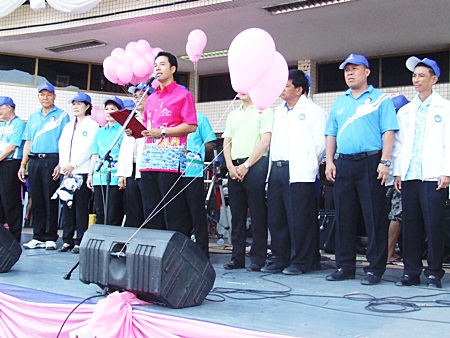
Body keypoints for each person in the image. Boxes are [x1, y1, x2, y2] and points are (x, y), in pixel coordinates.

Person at [324, 54, 398, 285]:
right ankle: (344, 266)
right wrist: (329, 161)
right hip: (344, 163)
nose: (349, 73)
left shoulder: (380, 99)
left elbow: (389, 132)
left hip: (371, 162)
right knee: (344, 216)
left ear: (367, 72)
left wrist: (385, 162)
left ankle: (375, 268)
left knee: (374, 216)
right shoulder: (340, 102)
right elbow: (331, 134)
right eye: (347, 70)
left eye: (355, 69)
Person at [261, 69, 327, 275]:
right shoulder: (278, 111)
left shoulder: (315, 112)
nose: (282, 90)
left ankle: (301, 260)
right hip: (277, 169)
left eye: (286, 86)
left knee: (299, 218)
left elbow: (320, 145)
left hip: (300, 170)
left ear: (299, 89)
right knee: (277, 217)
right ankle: (281, 258)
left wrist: (308, 164)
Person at [393, 57, 450, 288]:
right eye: (415, 76)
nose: (416, 80)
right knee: (411, 225)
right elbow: (398, 144)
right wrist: (398, 172)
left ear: (434, 79)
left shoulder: (445, 108)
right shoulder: (406, 111)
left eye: (422, 75)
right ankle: (411, 271)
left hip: (433, 176)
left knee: (434, 224)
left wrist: (446, 171)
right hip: (410, 175)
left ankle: (434, 272)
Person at [140, 52, 197, 235]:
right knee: (151, 208)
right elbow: (147, 125)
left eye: (162, 64)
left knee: (172, 208)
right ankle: (153, 248)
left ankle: (174, 251)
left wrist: (163, 132)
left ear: (172, 69)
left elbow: (191, 125)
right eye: (155, 65)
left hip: (170, 161)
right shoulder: (150, 98)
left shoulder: (183, 95)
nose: (157, 68)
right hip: (149, 159)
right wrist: (134, 130)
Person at [222, 93, 273, 271]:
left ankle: (258, 258)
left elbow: (265, 141)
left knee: (257, 213)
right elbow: (226, 140)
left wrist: (247, 164)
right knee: (237, 214)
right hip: (234, 166)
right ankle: (237, 257)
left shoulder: (264, 110)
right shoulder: (233, 114)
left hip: (256, 164)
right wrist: (229, 165)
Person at [19, 82, 70, 250]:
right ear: (38, 96)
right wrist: (23, 164)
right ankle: (38, 235)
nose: (45, 97)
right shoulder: (33, 117)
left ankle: (50, 236)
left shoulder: (63, 116)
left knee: (50, 199)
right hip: (34, 161)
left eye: (49, 94)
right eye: (42, 94)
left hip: (52, 160)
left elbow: (65, 142)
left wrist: (60, 163)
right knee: (37, 198)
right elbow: (28, 141)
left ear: (55, 96)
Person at [57, 92, 98, 254]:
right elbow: (62, 146)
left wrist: (73, 164)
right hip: (66, 172)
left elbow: (89, 148)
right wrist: (63, 166)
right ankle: (66, 239)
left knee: (81, 207)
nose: (75, 106)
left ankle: (80, 240)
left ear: (87, 106)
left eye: (79, 103)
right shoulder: (68, 125)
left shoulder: (92, 125)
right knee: (67, 206)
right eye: (73, 103)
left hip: (81, 171)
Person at [117, 83, 153, 228]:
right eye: (136, 97)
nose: (138, 100)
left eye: (142, 97)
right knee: (132, 208)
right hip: (131, 169)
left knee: (148, 207)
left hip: (147, 169)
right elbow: (124, 149)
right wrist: (122, 173)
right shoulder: (132, 118)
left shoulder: (154, 118)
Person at [182, 111, 217, 257]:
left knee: (197, 212)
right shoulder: (170, 117)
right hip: (172, 172)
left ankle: (202, 253)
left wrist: (197, 152)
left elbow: (210, 143)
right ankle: (181, 251)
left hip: (193, 172)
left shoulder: (200, 118)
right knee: (178, 214)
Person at [87, 96, 125, 226]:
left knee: (113, 211)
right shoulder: (100, 131)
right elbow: (95, 154)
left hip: (114, 176)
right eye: (106, 109)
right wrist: (90, 174)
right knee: (100, 211)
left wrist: (122, 174)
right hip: (99, 176)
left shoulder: (123, 131)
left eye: (112, 109)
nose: (108, 112)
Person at [386, 95, 410, 263]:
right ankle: (389, 253)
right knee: (397, 216)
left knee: (382, 217)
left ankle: (382, 252)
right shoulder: (403, 126)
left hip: (383, 176)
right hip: (398, 177)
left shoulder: (384, 126)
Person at [0, 96, 26, 243]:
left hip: (11, 164)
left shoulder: (18, 124)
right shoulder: (2, 125)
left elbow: (12, 146)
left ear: (9, 107)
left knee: (11, 201)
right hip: (1, 163)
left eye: (0, 107)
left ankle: (14, 237)